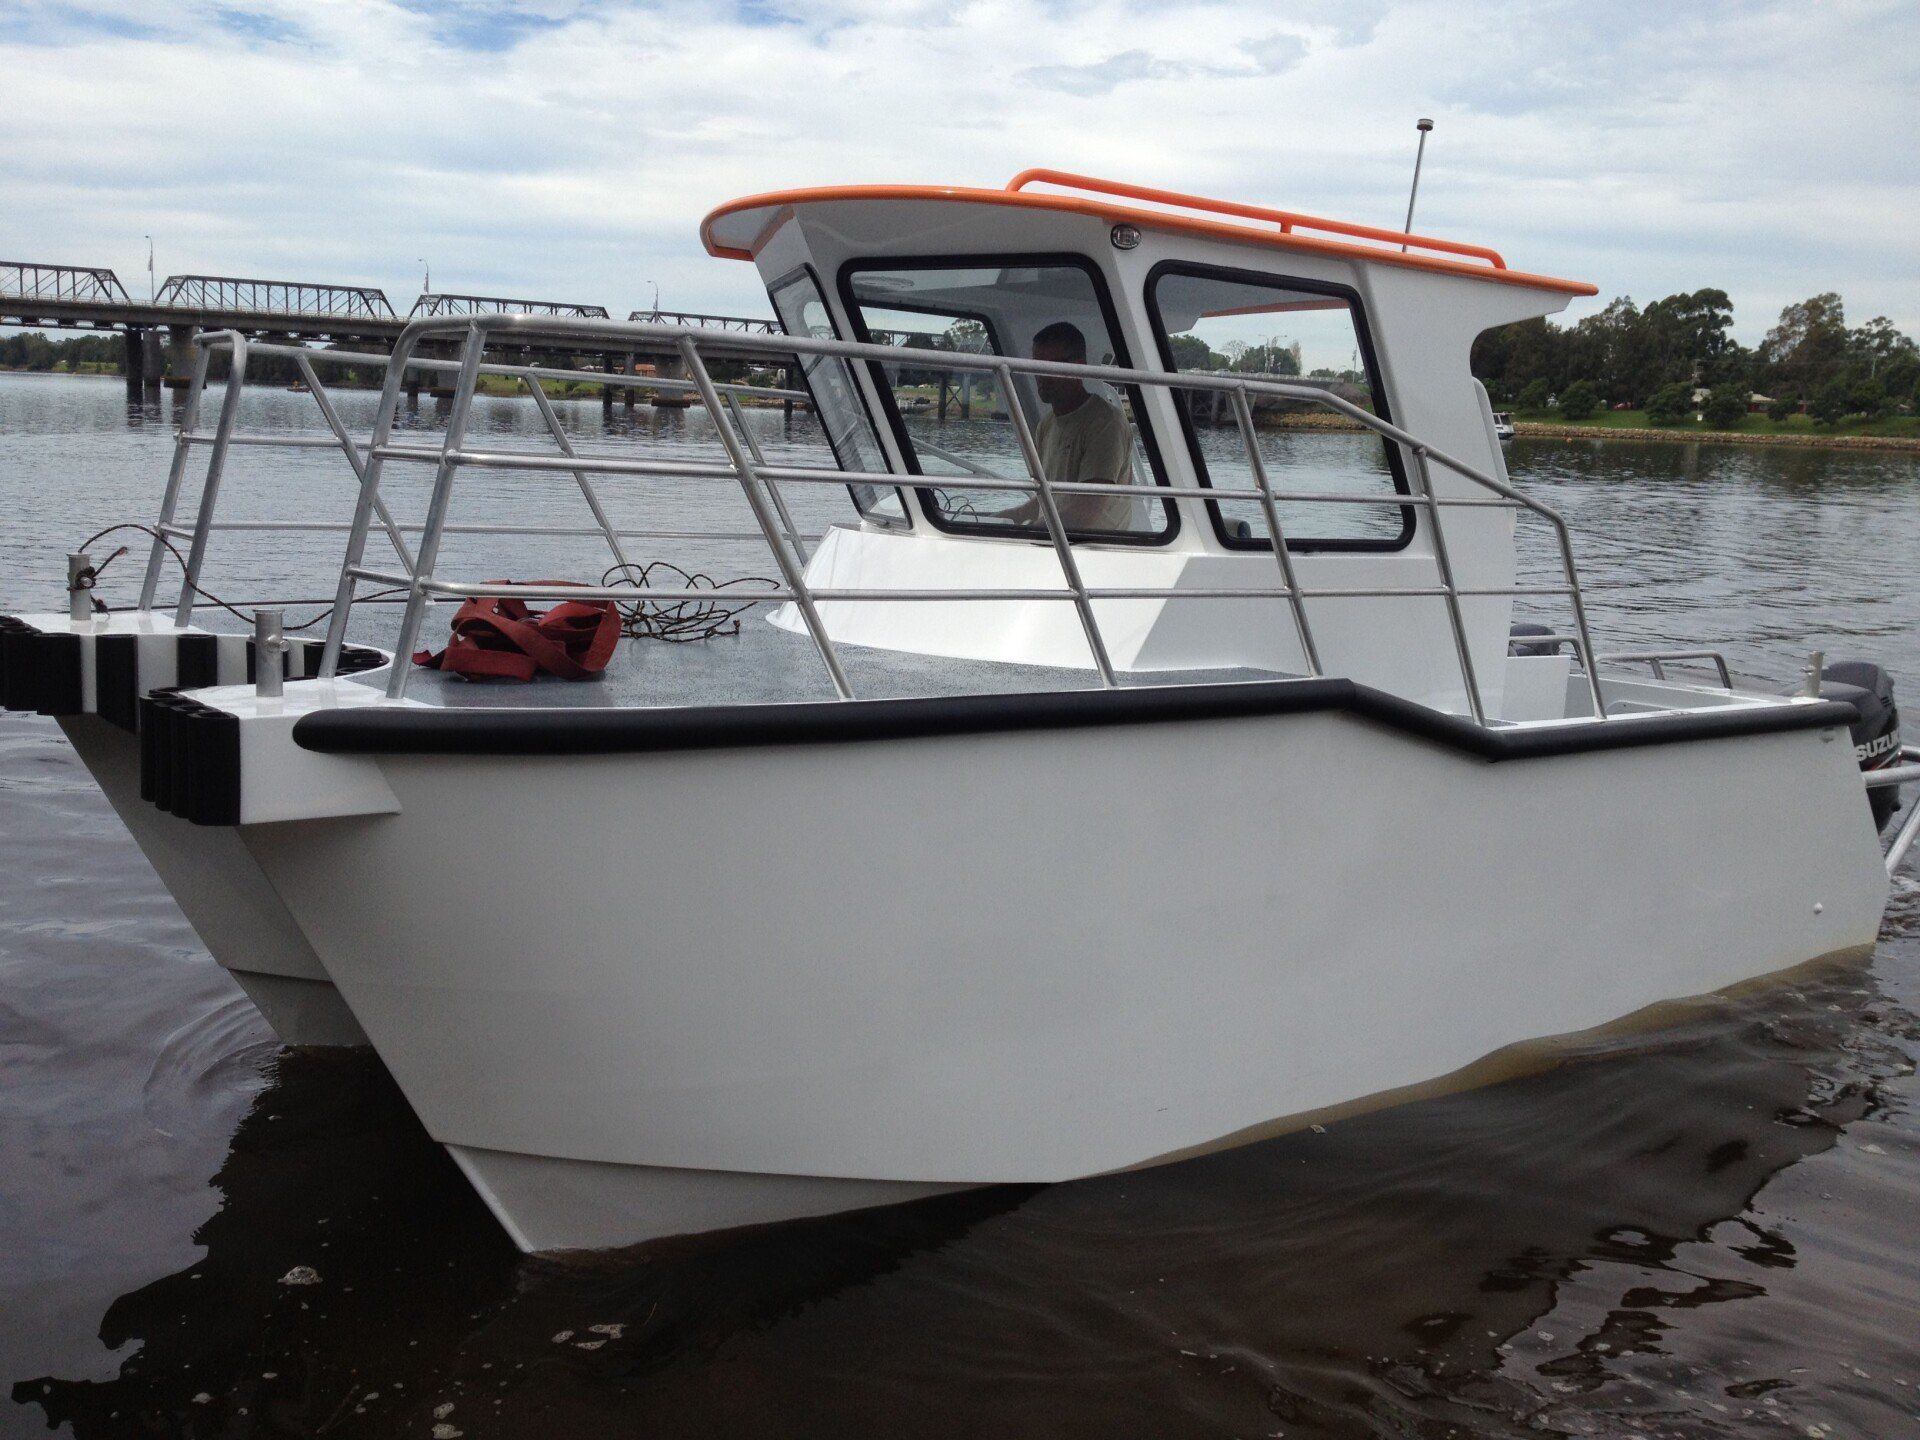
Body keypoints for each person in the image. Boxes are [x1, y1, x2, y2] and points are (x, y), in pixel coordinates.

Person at [1002, 321, 1136, 533]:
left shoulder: (1105, 423)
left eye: (1049, 367)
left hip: (1093, 550)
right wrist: (1001, 520)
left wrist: (1027, 532)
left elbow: (1087, 510)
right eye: (1036, 366)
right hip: (1056, 542)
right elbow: (1046, 500)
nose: (1041, 376)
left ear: (1078, 367)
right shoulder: (1046, 425)